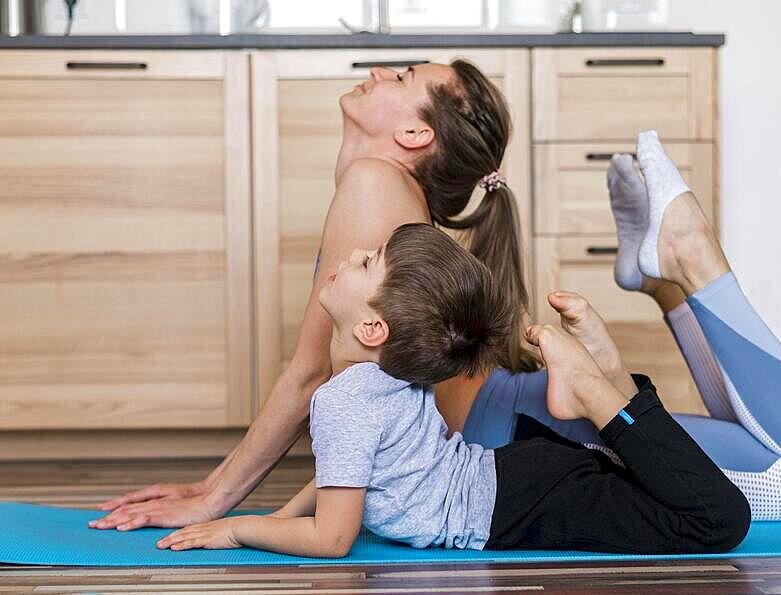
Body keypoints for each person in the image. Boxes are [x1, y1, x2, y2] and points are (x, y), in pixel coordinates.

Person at [90, 60, 540, 532]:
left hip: (510, 439)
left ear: (414, 132)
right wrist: (206, 488)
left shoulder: (375, 184)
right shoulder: (386, 187)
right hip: (499, 432)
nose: (380, 70)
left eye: (403, 77)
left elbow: (313, 374)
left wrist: (212, 501)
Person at [153, 223, 750, 556]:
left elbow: (332, 539)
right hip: (522, 481)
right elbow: (350, 468)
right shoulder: (377, 385)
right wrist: (278, 517)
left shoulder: (348, 395)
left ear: (371, 329)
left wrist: (238, 529)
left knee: (716, 519)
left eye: (368, 263)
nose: (354, 252)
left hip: (516, 504)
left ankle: (599, 388)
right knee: (688, 499)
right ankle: (608, 380)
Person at [461, 132, 781, 520]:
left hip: (525, 422)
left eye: (401, 76)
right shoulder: (404, 202)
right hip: (530, 425)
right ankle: (685, 269)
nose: (392, 73)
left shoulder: (401, 200)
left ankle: (683, 268)